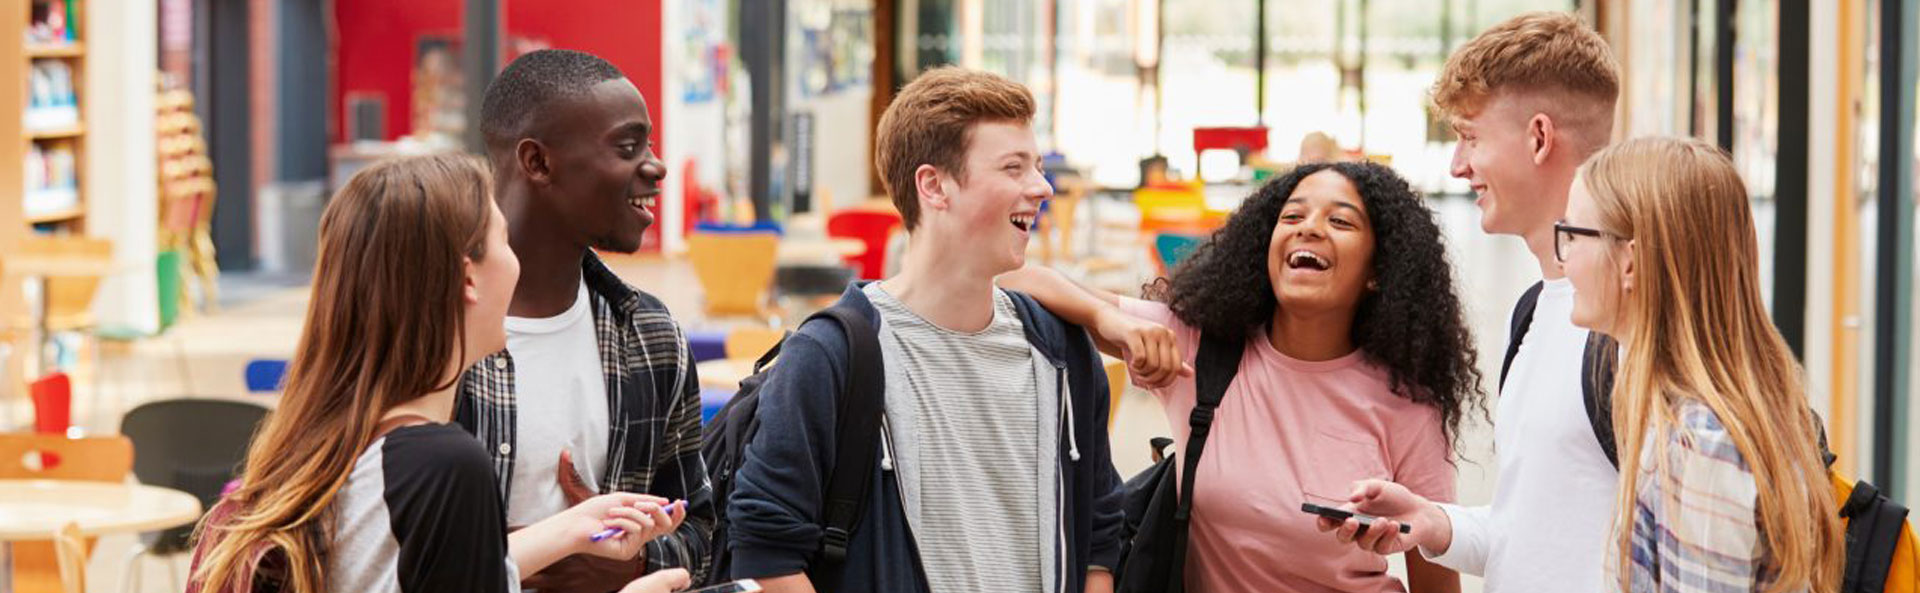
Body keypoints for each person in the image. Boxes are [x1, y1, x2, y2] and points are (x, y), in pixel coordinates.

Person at [188, 155, 692, 593]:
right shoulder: (445, 465)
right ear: (467, 277)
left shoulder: (331, 447)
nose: (517, 265)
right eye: (505, 243)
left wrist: (571, 530)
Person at [726, 66, 1126, 593]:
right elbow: (764, 554)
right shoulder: (830, 355)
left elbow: (1100, 530)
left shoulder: (1060, 351)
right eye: (1013, 167)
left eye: (1037, 166)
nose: (1042, 186)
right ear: (934, 185)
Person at [1001, 160, 1481, 593]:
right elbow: (1014, 280)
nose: (1308, 229)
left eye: (1340, 221)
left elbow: (1436, 580)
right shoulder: (1201, 349)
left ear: (1377, 271)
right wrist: (1113, 322)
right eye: (1291, 217)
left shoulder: (1407, 402)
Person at [1314, 13, 1626, 593]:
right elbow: (1532, 533)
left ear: (1538, 138)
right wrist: (1431, 521)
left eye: (1471, 136)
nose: (1458, 165)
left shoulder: (1629, 328)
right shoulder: (1535, 310)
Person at [461, 49, 713, 591]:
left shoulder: (652, 336)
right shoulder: (429, 327)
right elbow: (348, 524)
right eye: (628, 147)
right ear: (538, 163)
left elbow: (704, 530)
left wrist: (632, 561)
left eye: (649, 144)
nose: (656, 165)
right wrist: (530, 550)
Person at [1560, 137, 1842, 591]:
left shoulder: (1701, 447)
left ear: (1629, 261)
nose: (1565, 255)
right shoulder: (1693, 419)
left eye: (1573, 235)